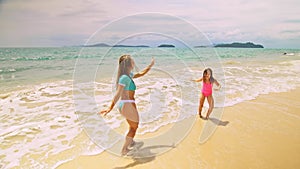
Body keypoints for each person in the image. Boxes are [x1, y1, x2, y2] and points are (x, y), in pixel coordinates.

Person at [99, 54, 154, 156]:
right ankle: (124, 150)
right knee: (134, 127)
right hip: (127, 105)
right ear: (129, 64)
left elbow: (141, 73)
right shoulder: (124, 78)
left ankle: (131, 142)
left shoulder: (129, 75)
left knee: (132, 125)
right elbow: (118, 93)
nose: (134, 62)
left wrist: (150, 66)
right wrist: (109, 108)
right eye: (132, 61)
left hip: (128, 104)